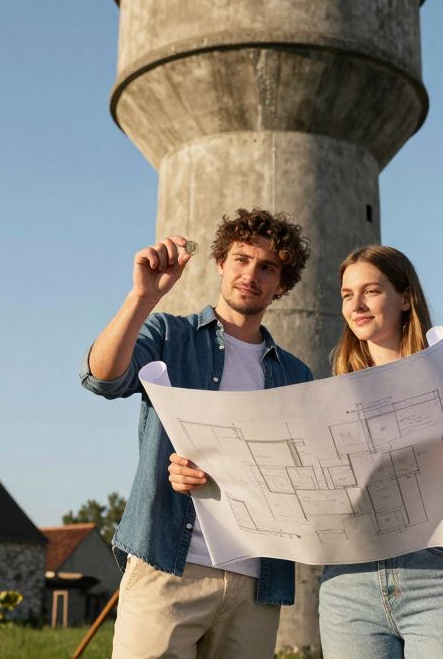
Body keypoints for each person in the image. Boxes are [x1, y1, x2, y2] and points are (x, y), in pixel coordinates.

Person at [168, 244, 443, 659]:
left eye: (372, 291)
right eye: (348, 295)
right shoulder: (326, 396)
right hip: (347, 587)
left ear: (406, 297)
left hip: (438, 579)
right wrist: (206, 472)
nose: (356, 305)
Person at [80, 208, 313, 659]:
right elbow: (103, 378)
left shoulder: (296, 374)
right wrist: (142, 297)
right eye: (241, 259)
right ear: (221, 263)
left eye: (268, 267)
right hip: (167, 567)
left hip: (257, 581)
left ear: (282, 284)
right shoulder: (170, 334)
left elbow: (302, 477)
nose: (251, 274)